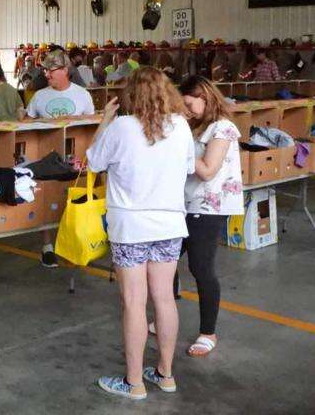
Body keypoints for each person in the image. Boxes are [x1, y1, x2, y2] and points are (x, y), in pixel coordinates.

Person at [87, 68, 194, 400]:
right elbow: (189, 168)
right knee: (164, 297)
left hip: (131, 226)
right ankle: (165, 374)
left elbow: (92, 162)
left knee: (134, 302)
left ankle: (134, 383)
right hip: (170, 224)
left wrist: (105, 119)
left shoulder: (121, 127)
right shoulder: (181, 126)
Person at [178, 75, 242, 356]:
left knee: (200, 268)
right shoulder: (193, 126)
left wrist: (175, 154)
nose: (187, 109)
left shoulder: (223, 128)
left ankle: (208, 332)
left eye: (190, 104)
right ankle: (168, 317)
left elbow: (207, 170)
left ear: (205, 97)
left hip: (208, 207)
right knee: (163, 262)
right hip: (184, 203)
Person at [26, 49, 95, 267]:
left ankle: (73, 242)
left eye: (51, 70)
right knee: (47, 200)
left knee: (73, 200)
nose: (47, 74)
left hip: (74, 158)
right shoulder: (40, 96)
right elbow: (26, 122)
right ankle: (47, 246)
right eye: (45, 70)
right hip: (46, 158)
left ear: (65, 70)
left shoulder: (82, 95)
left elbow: (91, 126)